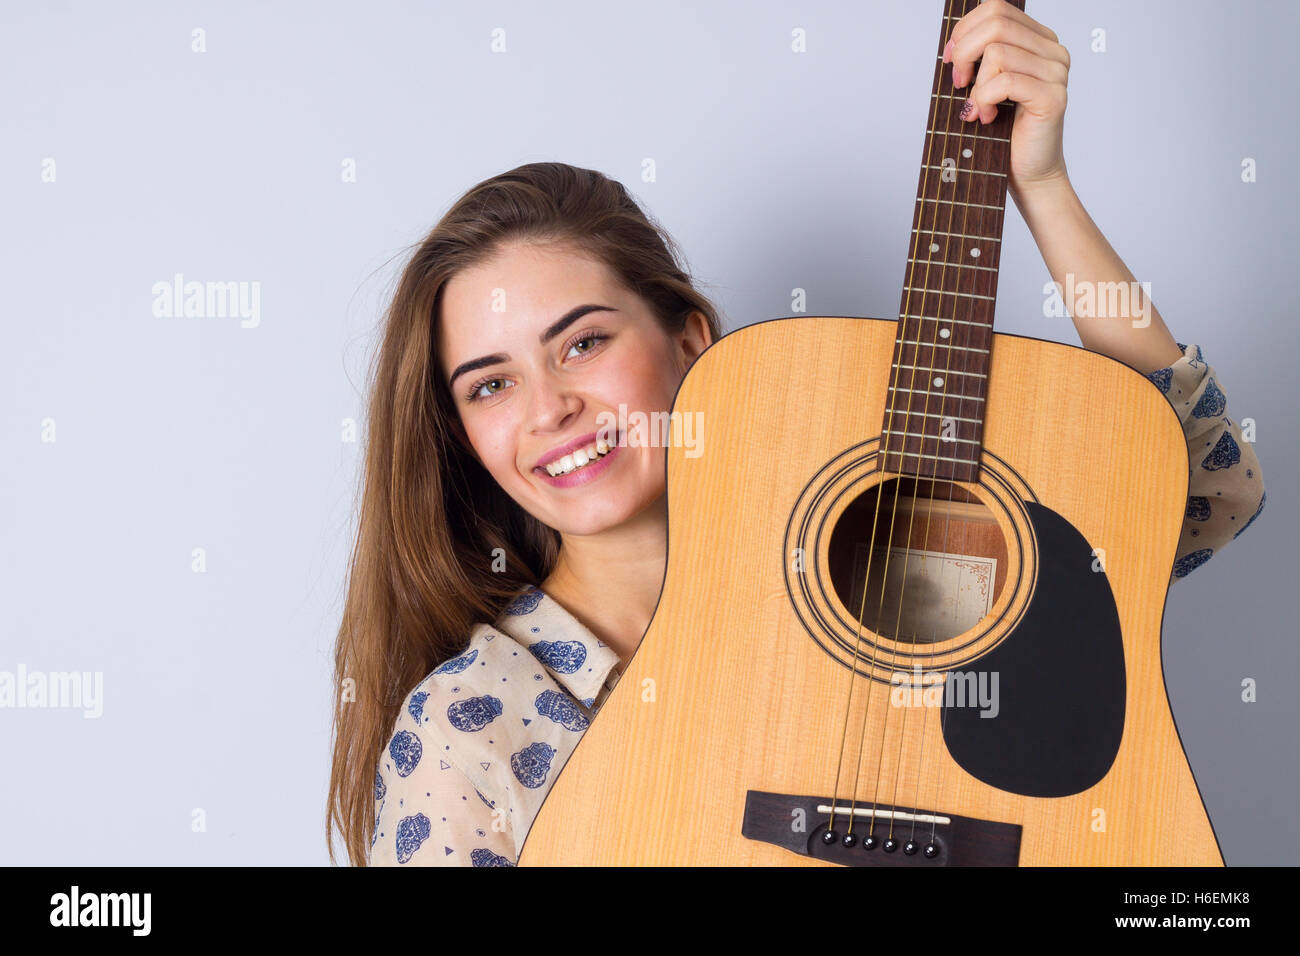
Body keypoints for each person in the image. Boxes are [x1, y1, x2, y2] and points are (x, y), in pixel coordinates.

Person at [327, 1, 1265, 867]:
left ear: (690, 340)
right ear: (463, 434)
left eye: (583, 341)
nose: (549, 408)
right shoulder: (466, 728)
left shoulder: (892, 556)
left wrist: (1044, 187)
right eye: (491, 385)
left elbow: (1205, 495)